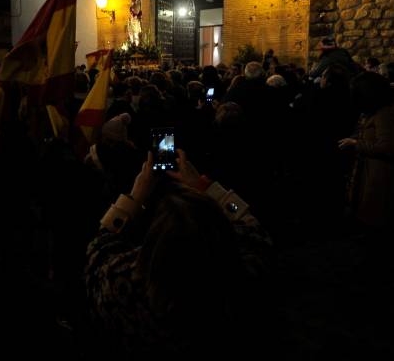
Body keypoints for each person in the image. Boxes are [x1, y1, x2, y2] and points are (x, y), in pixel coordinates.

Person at [85, 150, 272, 357]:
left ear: (154, 237)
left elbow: (100, 244)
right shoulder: (247, 271)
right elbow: (247, 220)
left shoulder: (118, 283)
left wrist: (134, 197)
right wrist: (206, 187)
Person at [339, 73, 394, 226]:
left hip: (380, 175)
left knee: (376, 217)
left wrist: (355, 143)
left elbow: (387, 147)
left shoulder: (385, 114)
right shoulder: (379, 110)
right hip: (373, 171)